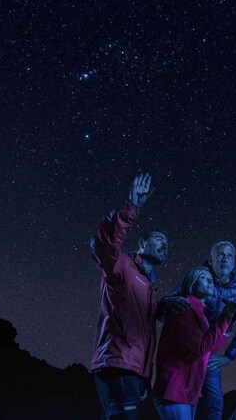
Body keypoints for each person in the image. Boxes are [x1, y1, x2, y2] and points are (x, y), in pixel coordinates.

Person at [90, 173, 167, 419]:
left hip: (134, 371)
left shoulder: (150, 288)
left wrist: (146, 375)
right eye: (158, 240)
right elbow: (102, 245)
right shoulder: (122, 266)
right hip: (117, 365)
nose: (165, 245)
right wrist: (132, 206)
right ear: (142, 245)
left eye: (167, 243)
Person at [160, 241, 236, 420]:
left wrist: (229, 356)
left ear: (234, 261)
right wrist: (165, 304)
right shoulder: (196, 280)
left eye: (229, 256)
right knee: (183, 397)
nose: (225, 259)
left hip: (211, 353)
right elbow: (173, 302)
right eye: (220, 254)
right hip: (188, 348)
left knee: (215, 403)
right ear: (210, 260)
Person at [152, 266, 236, 420]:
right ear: (191, 284)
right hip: (174, 390)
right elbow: (201, 347)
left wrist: (226, 331)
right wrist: (224, 319)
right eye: (203, 277)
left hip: (186, 391)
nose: (209, 281)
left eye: (211, 279)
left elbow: (207, 350)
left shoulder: (200, 315)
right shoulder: (184, 307)